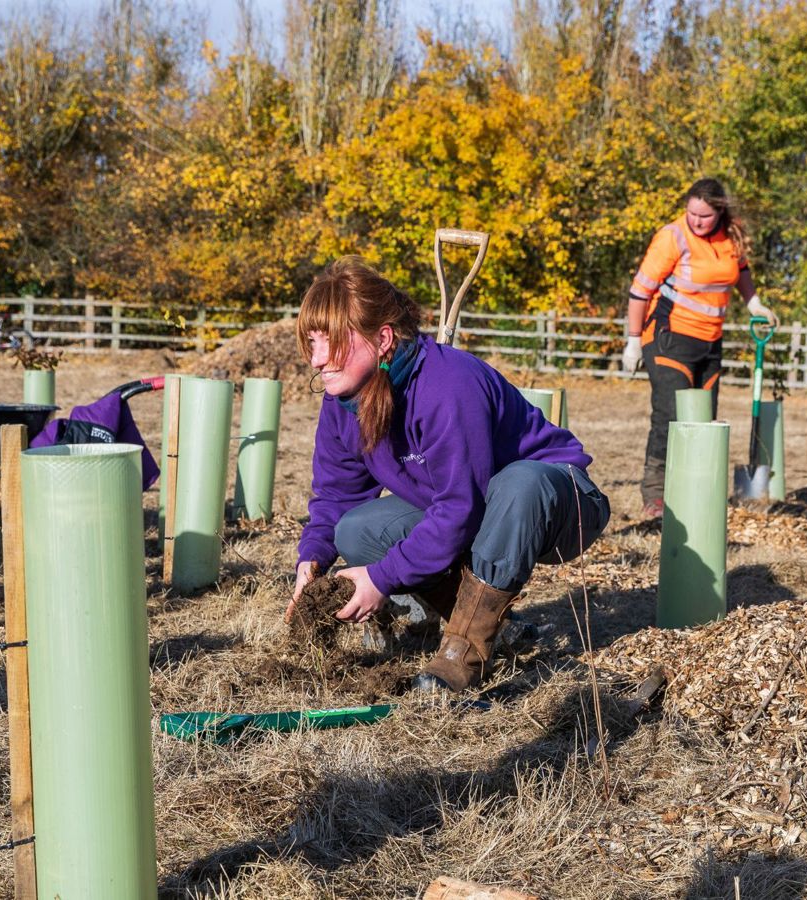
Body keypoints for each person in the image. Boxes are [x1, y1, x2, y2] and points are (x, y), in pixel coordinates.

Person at [286, 257, 611, 693]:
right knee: (355, 530)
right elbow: (336, 497)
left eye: (332, 341)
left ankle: (465, 651)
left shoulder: (446, 385)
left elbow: (459, 508)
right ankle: (503, 630)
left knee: (520, 483)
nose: (317, 359)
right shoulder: (343, 403)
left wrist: (382, 578)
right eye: (312, 341)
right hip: (473, 509)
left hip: (558, 503)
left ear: (382, 339)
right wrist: (312, 560)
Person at [621, 178, 778, 518]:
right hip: (668, 337)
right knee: (671, 416)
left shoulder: (731, 235)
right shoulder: (672, 237)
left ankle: (696, 491)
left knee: (704, 420)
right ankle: (656, 495)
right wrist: (633, 340)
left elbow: (742, 271)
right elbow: (640, 291)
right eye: (691, 213)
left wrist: (754, 304)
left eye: (704, 216)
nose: (696, 221)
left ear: (719, 212)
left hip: (709, 341)